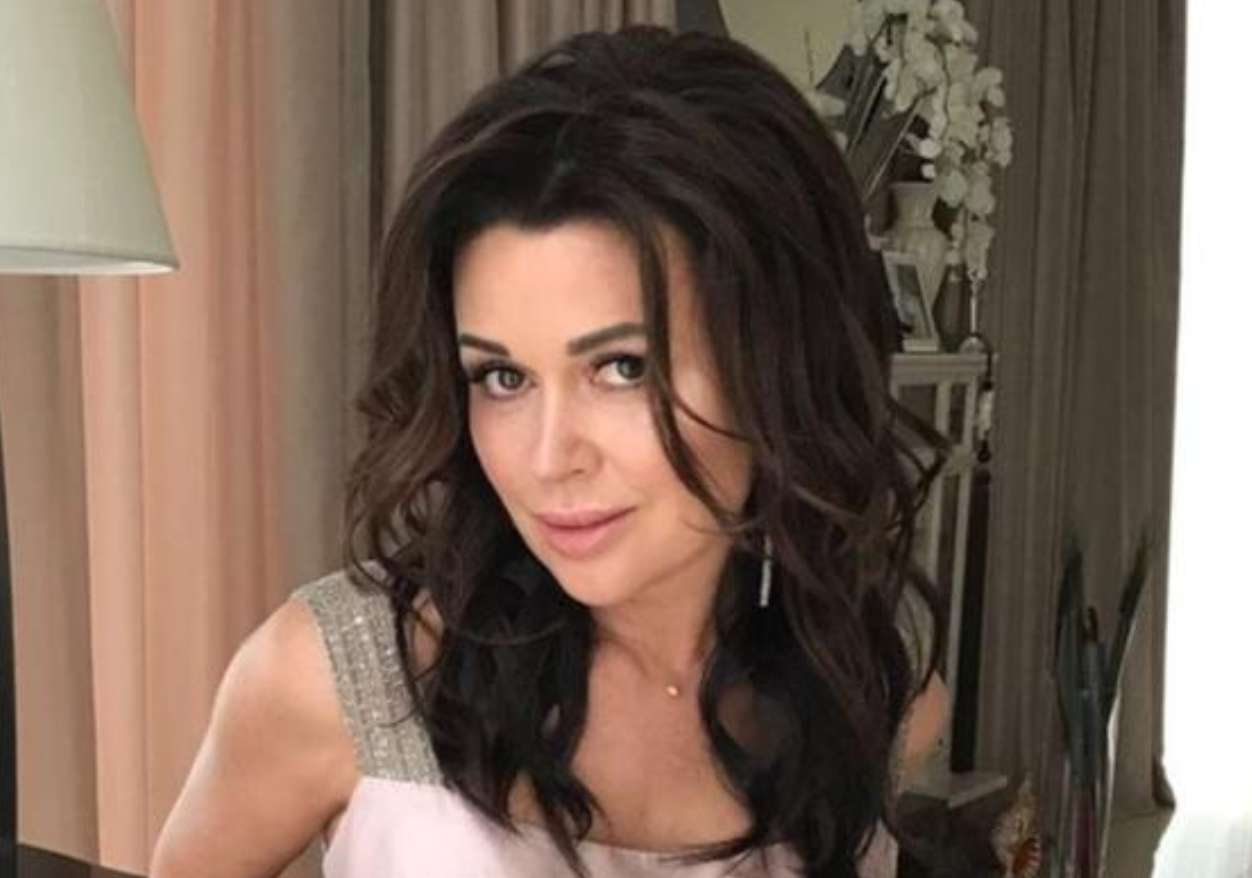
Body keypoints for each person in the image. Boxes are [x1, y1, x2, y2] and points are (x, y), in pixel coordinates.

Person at [150, 23, 952, 878]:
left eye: (622, 368)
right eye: (502, 377)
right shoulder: (338, 675)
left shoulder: (876, 701)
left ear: (781, 362)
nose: (546, 459)